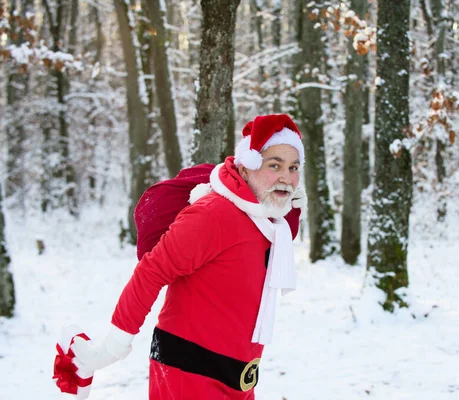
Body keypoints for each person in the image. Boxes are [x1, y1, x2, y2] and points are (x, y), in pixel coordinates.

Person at [61, 114, 306, 399]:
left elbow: (256, 258)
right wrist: (114, 345)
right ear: (246, 166)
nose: (286, 178)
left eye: (293, 167)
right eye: (274, 165)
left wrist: (292, 213)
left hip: (238, 379)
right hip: (189, 374)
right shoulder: (214, 214)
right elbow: (151, 271)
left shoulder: (267, 220)